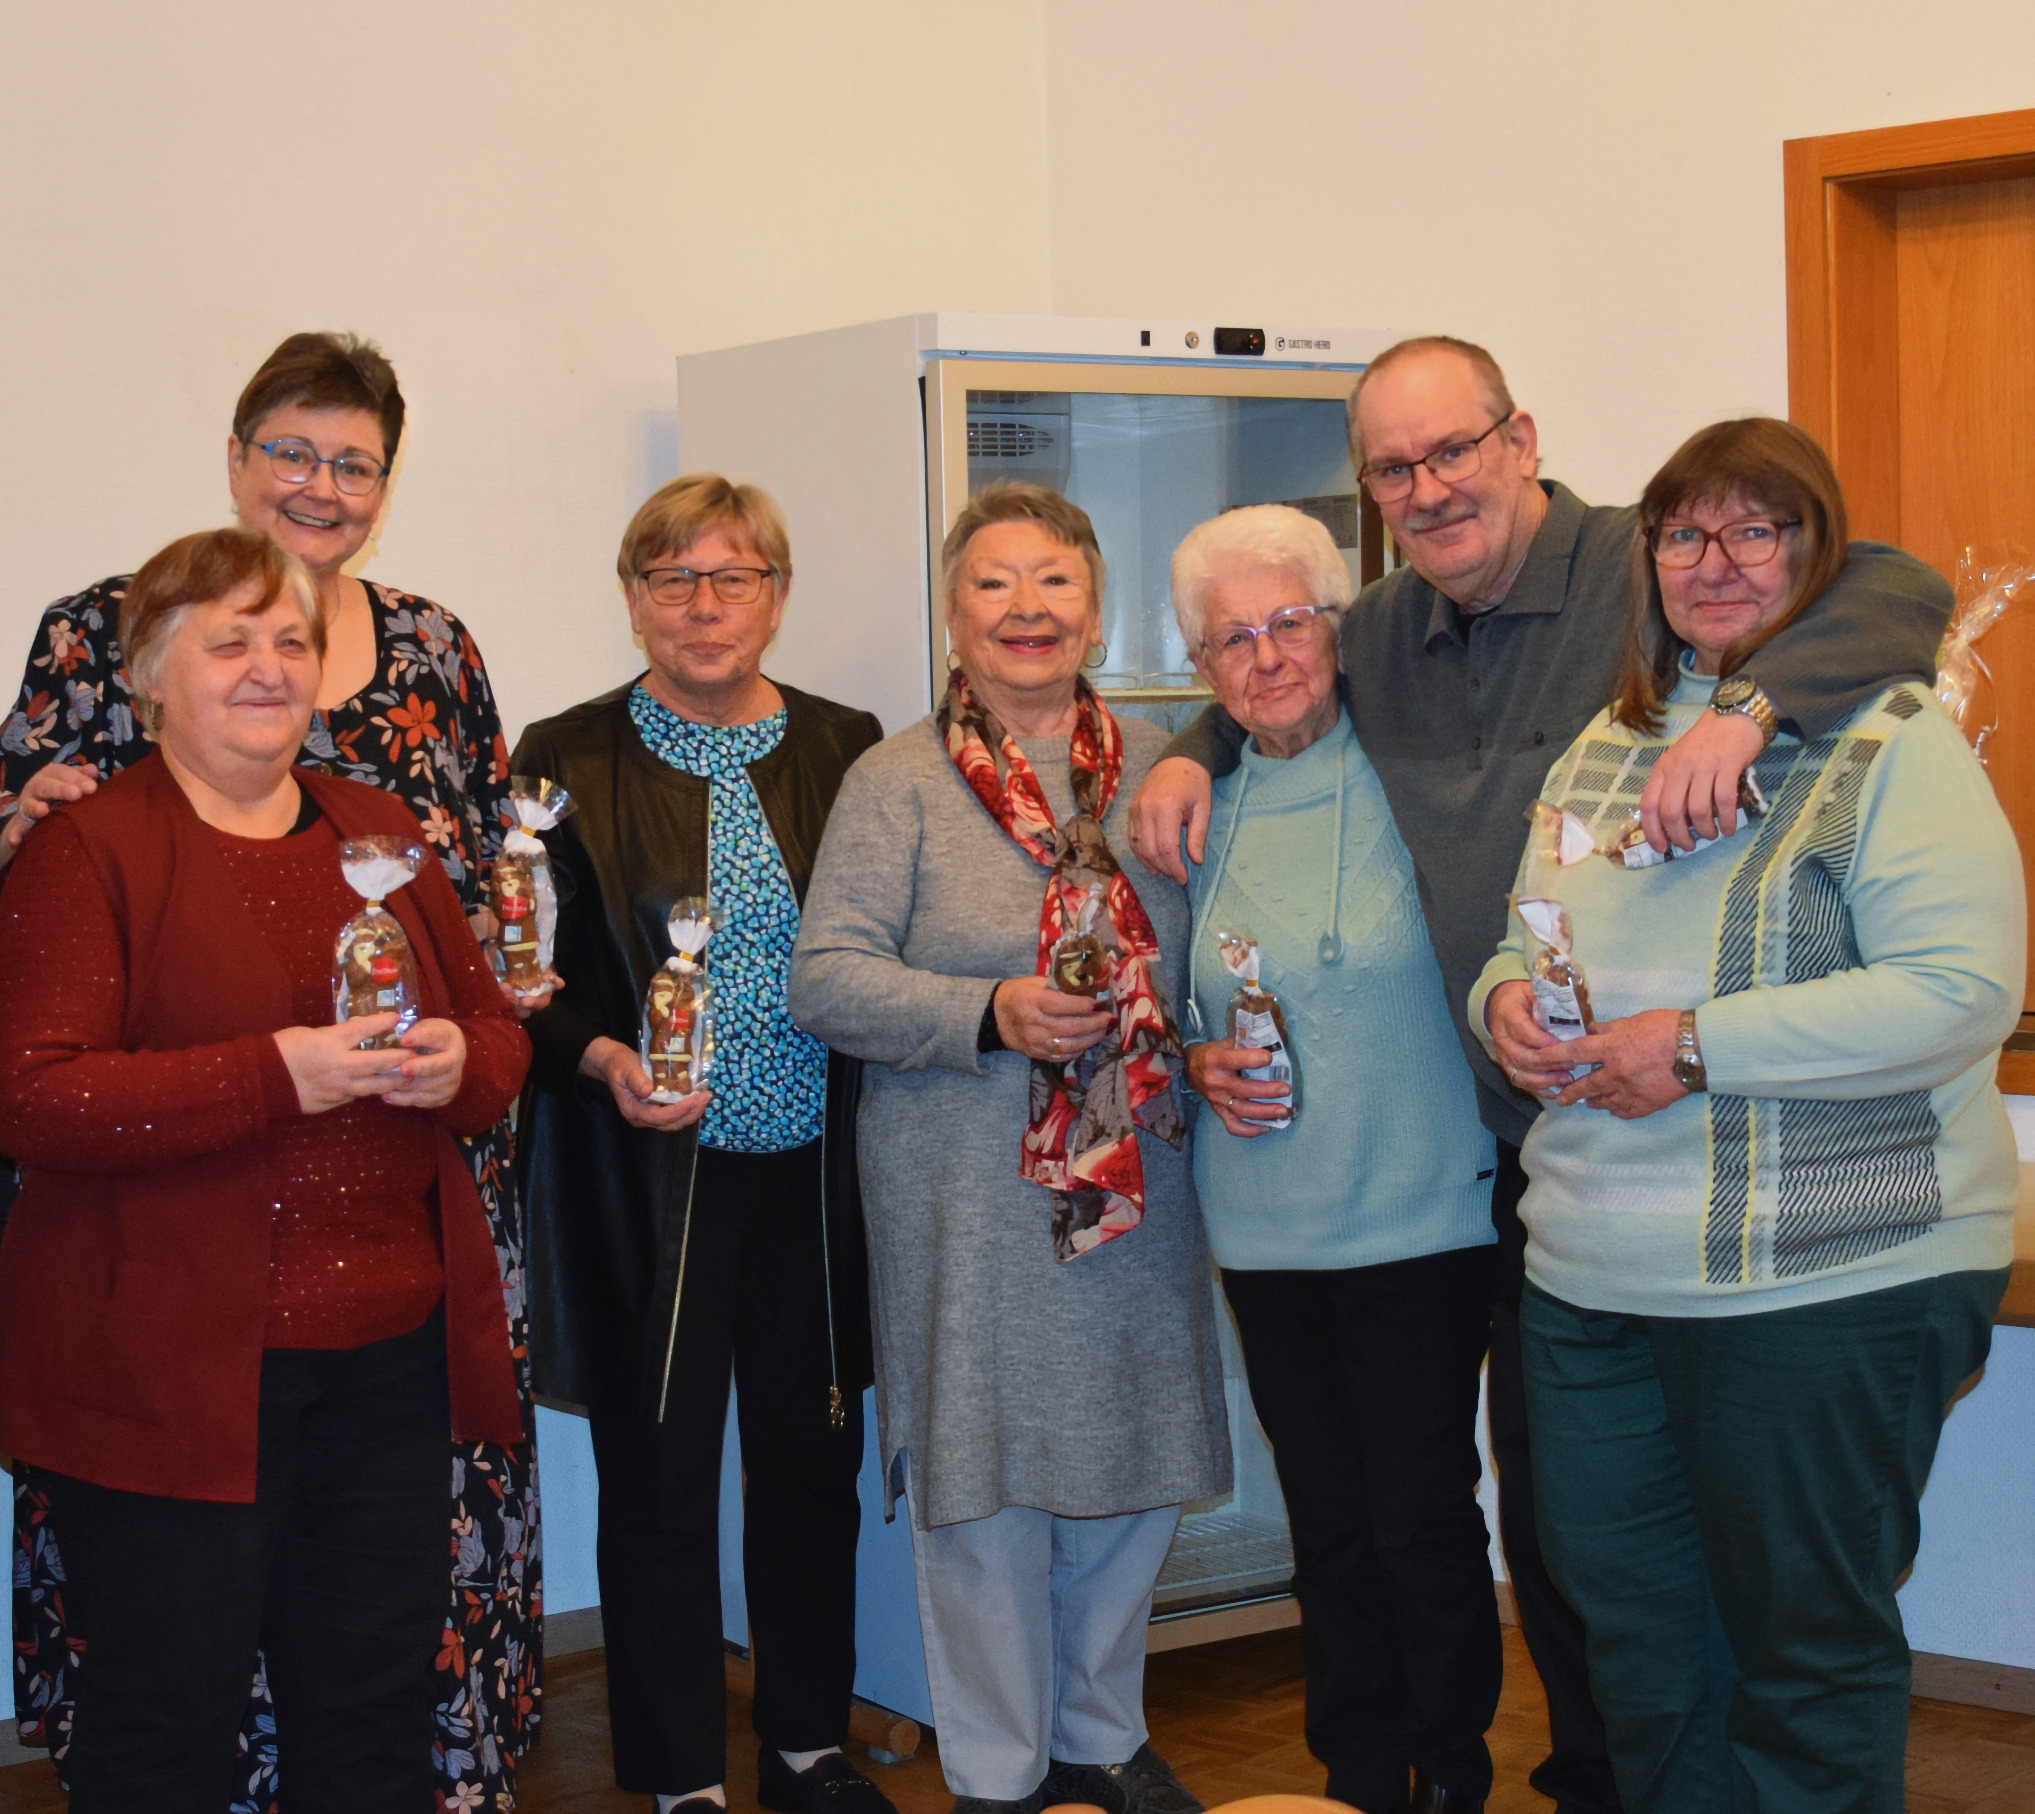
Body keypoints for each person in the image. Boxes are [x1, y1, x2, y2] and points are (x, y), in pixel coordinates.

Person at [1124, 338, 1950, 1814]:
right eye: (1396, 467)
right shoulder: (1377, 627)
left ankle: (1612, 1785)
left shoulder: (1647, 563)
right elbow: (1267, 662)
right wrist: (1190, 746)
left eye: (1454, 450)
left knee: (1601, 1536)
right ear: (1373, 495)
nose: (1432, 487)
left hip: (1654, 1142)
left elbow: (1892, 591)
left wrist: (1751, 705)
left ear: (1521, 439)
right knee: (1566, 1522)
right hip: (1494, 1134)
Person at [0, 331, 535, 1801]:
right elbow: (29, 1097)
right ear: (147, 672)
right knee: (168, 1728)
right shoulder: (86, 853)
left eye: (289, 640)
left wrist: (444, 1070)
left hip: (382, 1369)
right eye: (228, 642)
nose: (269, 666)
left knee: (363, 1719)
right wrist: (277, 1070)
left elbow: (496, 1042)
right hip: (166, 1371)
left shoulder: (379, 833)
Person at [1467, 418, 2021, 1814]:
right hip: (1592, 1283)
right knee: (1640, 1653)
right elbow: (1519, 938)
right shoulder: (1609, 739)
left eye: (1752, 531)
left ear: (1816, 553)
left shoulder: (1896, 741)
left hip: (1827, 1281)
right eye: (1682, 533)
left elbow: (1956, 991)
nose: (1712, 562)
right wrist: (1503, 1010)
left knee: (1799, 1660)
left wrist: (1697, 1047)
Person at [793, 482, 1228, 1814]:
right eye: (993, 583)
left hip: (1137, 1187)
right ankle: (995, 1766)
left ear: (1095, 606)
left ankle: (1101, 1730)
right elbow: (825, 981)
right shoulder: (896, 780)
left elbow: (1219, 951)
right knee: (981, 1481)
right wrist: (986, 1011)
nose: (1025, 609)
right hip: (961, 1197)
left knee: (1128, 1462)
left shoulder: (1167, 766)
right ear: (952, 611)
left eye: (1053, 581)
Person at [515, 476, 892, 1814]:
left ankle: (805, 1743)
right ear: (631, 597)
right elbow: (525, 974)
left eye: (734, 577)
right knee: (658, 1483)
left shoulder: (850, 746)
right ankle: (678, 1777)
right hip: (649, 1180)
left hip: (819, 1174)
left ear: (776, 596)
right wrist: (601, 1058)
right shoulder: (561, 756)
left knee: (814, 1469)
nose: (704, 606)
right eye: (672, 578)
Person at [1166, 506, 1502, 1814]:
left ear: (1339, 627)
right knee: (1329, 1519)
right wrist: (1195, 1061)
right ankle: (1357, 1772)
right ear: (1203, 668)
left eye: (1287, 622)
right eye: (1229, 639)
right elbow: (1165, 1001)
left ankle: (1453, 1768)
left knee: (1420, 1509)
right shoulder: (1189, 808)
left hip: (1423, 1209)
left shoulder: (1425, 773)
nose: (1265, 656)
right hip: (1264, 1225)